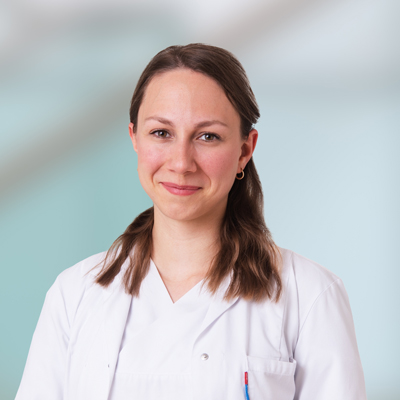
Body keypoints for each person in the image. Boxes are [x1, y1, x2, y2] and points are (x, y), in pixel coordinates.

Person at [16, 43, 367, 400]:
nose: (181, 163)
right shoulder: (74, 294)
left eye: (207, 136)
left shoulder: (309, 296)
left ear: (245, 150)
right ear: (134, 138)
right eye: (161, 133)